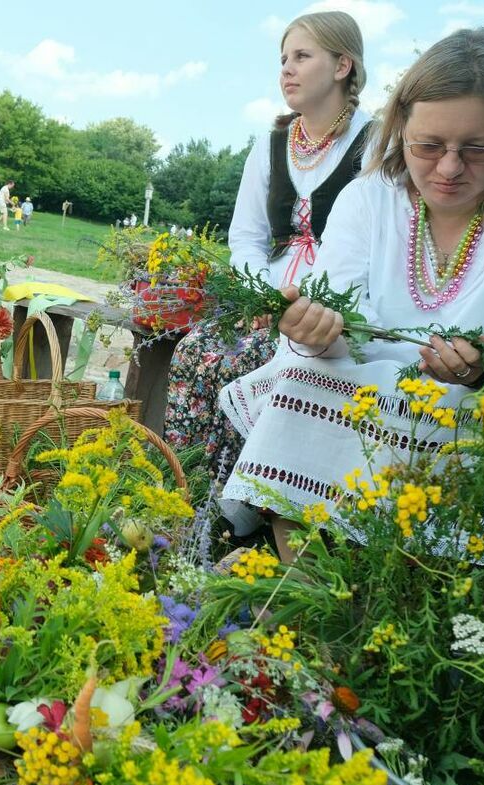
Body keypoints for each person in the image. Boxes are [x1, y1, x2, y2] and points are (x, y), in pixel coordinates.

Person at [219, 27, 484, 558]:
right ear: (400, 127)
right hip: (370, 387)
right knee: (299, 377)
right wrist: (318, 332)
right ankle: (307, 594)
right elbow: (339, 316)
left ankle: (437, 592)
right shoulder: (370, 196)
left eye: (478, 149)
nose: (448, 168)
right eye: (428, 145)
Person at [164, 11, 373, 509]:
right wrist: (261, 294)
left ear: (343, 65)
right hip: (267, 298)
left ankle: (249, 508)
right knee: (197, 349)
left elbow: (375, 244)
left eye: (302, 56)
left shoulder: (377, 142)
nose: (287, 70)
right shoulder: (273, 143)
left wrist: (306, 308)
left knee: (258, 364)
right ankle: (182, 494)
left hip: (336, 308)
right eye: (283, 59)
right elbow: (246, 237)